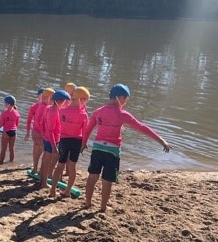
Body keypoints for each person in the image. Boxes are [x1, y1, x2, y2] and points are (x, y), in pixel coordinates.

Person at [82, 84, 171, 212]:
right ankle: (102, 208)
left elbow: (88, 129)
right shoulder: (121, 114)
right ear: (120, 98)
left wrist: (84, 143)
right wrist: (161, 140)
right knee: (107, 180)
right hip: (112, 151)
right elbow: (141, 127)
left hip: (97, 148)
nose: (125, 103)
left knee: (92, 176)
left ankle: (87, 203)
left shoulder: (98, 111)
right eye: (126, 99)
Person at [50, 87, 90, 198]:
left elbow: (56, 127)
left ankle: (52, 189)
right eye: (86, 101)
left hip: (64, 140)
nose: (85, 104)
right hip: (76, 141)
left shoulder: (62, 110)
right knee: (72, 166)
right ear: (82, 99)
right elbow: (85, 132)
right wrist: (84, 143)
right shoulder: (83, 115)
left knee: (60, 165)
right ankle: (67, 190)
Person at [40, 90, 70, 189]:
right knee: (47, 162)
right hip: (51, 140)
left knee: (45, 160)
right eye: (65, 101)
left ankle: (42, 181)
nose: (66, 104)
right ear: (59, 101)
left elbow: (42, 122)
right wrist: (53, 145)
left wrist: (43, 135)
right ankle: (43, 183)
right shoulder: (53, 112)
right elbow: (51, 130)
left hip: (47, 138)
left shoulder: (49, 108)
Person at [31, 88, 54, 177]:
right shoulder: (46, 107)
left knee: (37, 150)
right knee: (46, 153)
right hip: (41, 133)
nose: (53, 101)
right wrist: (44, 133)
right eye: (52, 99)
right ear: (47, 98)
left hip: (35, 131)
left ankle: (35, 168)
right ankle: (41, 171)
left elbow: (36, 120)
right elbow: (42, 122)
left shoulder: (39, 105)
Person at [0, 95, 20, 165]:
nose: (4, 104)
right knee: (11, 149)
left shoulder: (4, 113)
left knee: (3, 149)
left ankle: (0, 164)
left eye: (5, 103)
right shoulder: (17, 113)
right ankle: (11, 163)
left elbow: (0, 124)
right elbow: (17, 124)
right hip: (14, 132)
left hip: (6, 132)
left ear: (8, 104)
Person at [24, 88, 44, 173]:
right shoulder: (34, 107)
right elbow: (29, 120)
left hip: (45, 132)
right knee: (36, 149)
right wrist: (28, 132)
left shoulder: (49, 107)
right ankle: (35, 167)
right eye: (42, 95)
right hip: (36, 131)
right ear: (38, 96)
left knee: (44, 150)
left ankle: (41, 169)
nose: (43, 97)